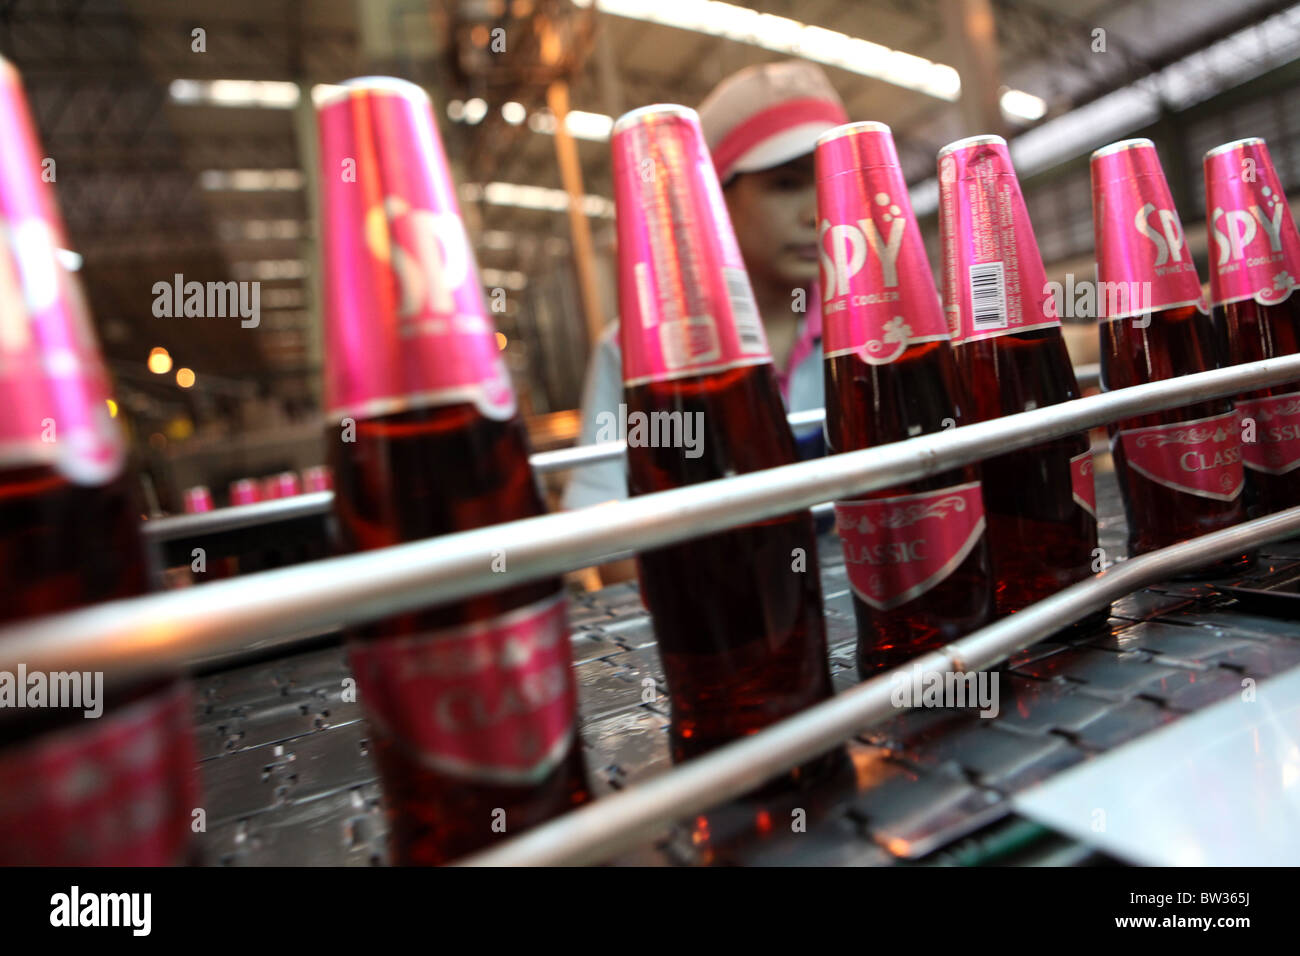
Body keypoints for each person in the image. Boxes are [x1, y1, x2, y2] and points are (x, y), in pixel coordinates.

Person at [564, 60, 849, 521]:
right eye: (786, 184)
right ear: (712, 196)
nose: (817, 213)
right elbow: (599, 525)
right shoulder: (639, 350)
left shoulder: (872, 328)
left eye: (829, 180)